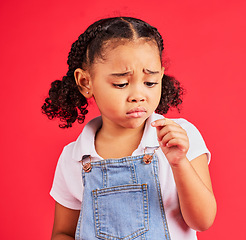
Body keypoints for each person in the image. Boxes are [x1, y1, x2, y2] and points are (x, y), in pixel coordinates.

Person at [42, 17, 216, 240]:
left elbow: (203, 221)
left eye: (150, 83)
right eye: (121, 84)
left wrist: (179, 163)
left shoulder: (181, 137)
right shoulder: (74, 157)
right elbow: (63, 232)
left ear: (161, 77)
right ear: (86, 82)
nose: (138, 96)